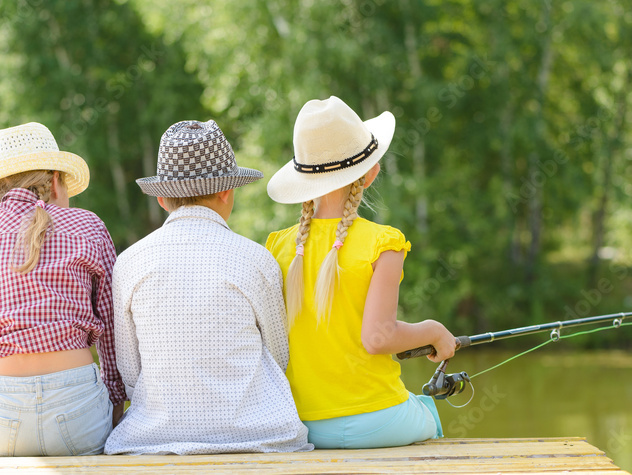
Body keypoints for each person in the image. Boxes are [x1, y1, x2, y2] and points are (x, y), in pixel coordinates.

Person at [104, 120, 311, 455]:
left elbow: (130, 372)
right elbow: (279, 356)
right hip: (257, 437)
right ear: (226, 192)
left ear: (161, 200)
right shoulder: (256, 259)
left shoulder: (129, 262)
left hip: (153, 440)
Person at [0, 122, 126, 456]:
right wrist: (116, 405)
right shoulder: (89, 227)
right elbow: (116, 337)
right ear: (56, 180)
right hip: (79, 416)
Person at [264, 96, 456, 449]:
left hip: (301, 424)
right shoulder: (384, 243)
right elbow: (378, 338)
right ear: (371, 173)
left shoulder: (277, 246)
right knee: (428, 412)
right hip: (377, 422)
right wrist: (434, 331)